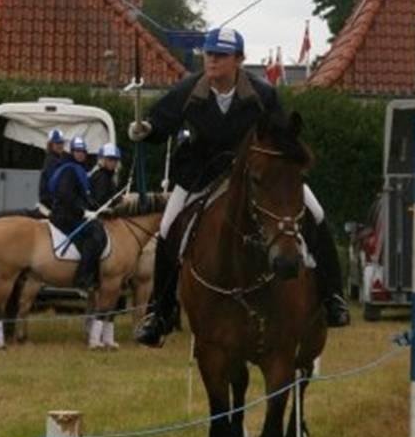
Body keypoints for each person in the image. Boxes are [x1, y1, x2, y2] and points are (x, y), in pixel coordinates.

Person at [129, 26, 350, 347]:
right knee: (167, 228)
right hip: (201, 173)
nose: (212, 60)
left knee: (316, 214)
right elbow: (161, 121)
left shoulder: (262, 94)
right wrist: (146, 129)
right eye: (209, 54)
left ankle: (333, 298)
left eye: (221, 55)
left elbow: (281, 135)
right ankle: (159, 314)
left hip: (255, 175)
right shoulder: (189, 89)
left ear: (239, 60)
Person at [48, 136, 107, 294]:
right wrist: (83, 211)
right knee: (95, 235)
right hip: (65, 216)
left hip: (73, 214)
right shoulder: (69, 170)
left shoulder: (78, 169)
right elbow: (65, 195)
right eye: (77, 151)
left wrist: (97, 208)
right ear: (72, 152)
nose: (80, 154)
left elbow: (84, 196)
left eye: (83, 151)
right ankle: (82, 279)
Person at [38, 128, 68, 214]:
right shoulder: (52, 161)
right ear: (51, 144)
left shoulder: (59, 159)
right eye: (57, 143)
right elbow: (56, 185)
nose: (60, 145)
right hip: (51, 205)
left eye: (61, 143)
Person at [90, 142, 122, 208]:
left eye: (115, 160)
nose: (113, 162)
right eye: (110, 159)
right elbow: (100, 200)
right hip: (100, 212)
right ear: (103, 160)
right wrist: (119, 199)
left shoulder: (108, 175)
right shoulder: (102, 176)